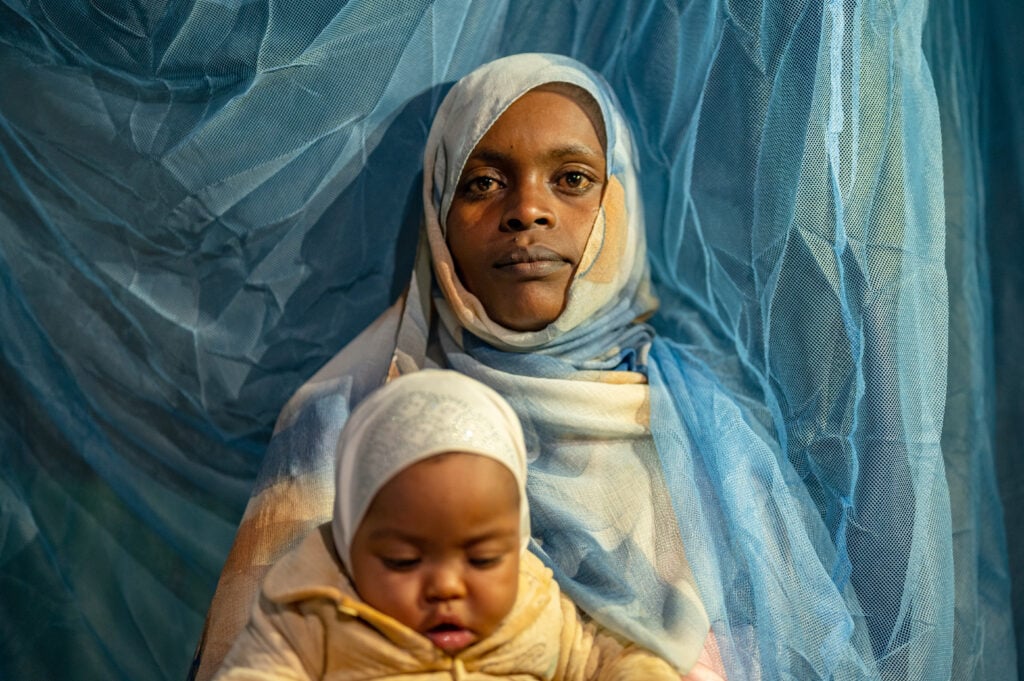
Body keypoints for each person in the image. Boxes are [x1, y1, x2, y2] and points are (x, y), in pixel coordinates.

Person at [194, 53, 886, 681]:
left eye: (573, 179)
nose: (527, 210)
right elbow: (254, 653)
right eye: (483, 182)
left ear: (619, 202)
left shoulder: (699, 428)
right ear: (438, 214)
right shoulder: (342, 422)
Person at [213, 370, 700, 680]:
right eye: (403, 561)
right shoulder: (313, 615)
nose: (446, 586)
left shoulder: (537, 611)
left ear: (519, 541)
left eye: (484, 558)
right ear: (348, 541)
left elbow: (605, 661)